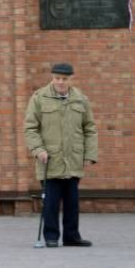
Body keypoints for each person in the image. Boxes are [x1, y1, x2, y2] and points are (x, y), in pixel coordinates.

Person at [25, 62, 98, 248]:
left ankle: (72, 237)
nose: (60, 82)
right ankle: (51, 237)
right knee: (50, 203)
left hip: (73, 160)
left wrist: (89, 154)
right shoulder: (39, 98)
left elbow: (89, 128)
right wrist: (38, 149)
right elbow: (30, 128)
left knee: (72, 203)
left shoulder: (81, 99)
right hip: (49, 160)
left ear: (70, 79)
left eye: (64, 79)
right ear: (52, 77)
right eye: (57, 78)